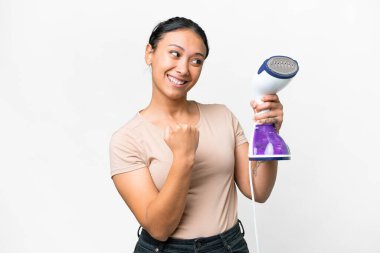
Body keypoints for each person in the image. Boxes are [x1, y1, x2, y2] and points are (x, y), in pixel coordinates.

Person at [109, 17, 284, 253]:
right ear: (149, 53)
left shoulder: (222, 116)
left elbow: (259, 191)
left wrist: (269, 132)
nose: (183, 69)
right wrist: (183, 158)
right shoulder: (127, 139)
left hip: (228, 246)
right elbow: (159, 228)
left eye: (196, 60)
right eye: (174, 53)